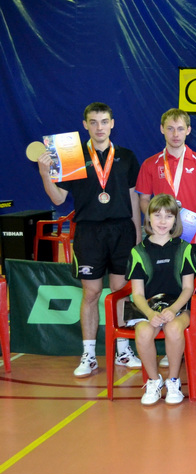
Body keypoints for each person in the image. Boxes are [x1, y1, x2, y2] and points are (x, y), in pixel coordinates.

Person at [37, 102, 142, 377]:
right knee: (92, 292)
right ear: (85, 125)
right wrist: (45, 175)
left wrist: (138, 235)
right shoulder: (71, 156)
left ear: (112, 123)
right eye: (93, 122)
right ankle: (89, 354)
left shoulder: (127, 156)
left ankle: (123, 349)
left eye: (104, 121)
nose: (99, 127)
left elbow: (133, 198)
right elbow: (58, 199)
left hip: (122, 231)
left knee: (120, 291)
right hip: (89, 231)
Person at [128, 194, 196, 405]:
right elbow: (137, 294)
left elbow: (188, 288)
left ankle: (173, 381)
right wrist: (150, 314)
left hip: (178, 307)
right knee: (143, 333)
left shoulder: (184, 248)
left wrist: (173, 309)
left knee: (174, 329)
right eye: (157, 215)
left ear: (175, 220)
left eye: (168, 216)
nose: (162, 221)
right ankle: (153, 381)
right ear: (148, 217)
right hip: (149, 308)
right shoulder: (138, 251)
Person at [136, 108, 196, 256]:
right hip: (162, 234)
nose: (175, 134)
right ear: (162, 129)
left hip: (194, 235)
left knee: (191, 272)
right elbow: (144, 199)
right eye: (170, 128)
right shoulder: (150, 164)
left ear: (188, 130)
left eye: (180, 129)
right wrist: (157, 221)